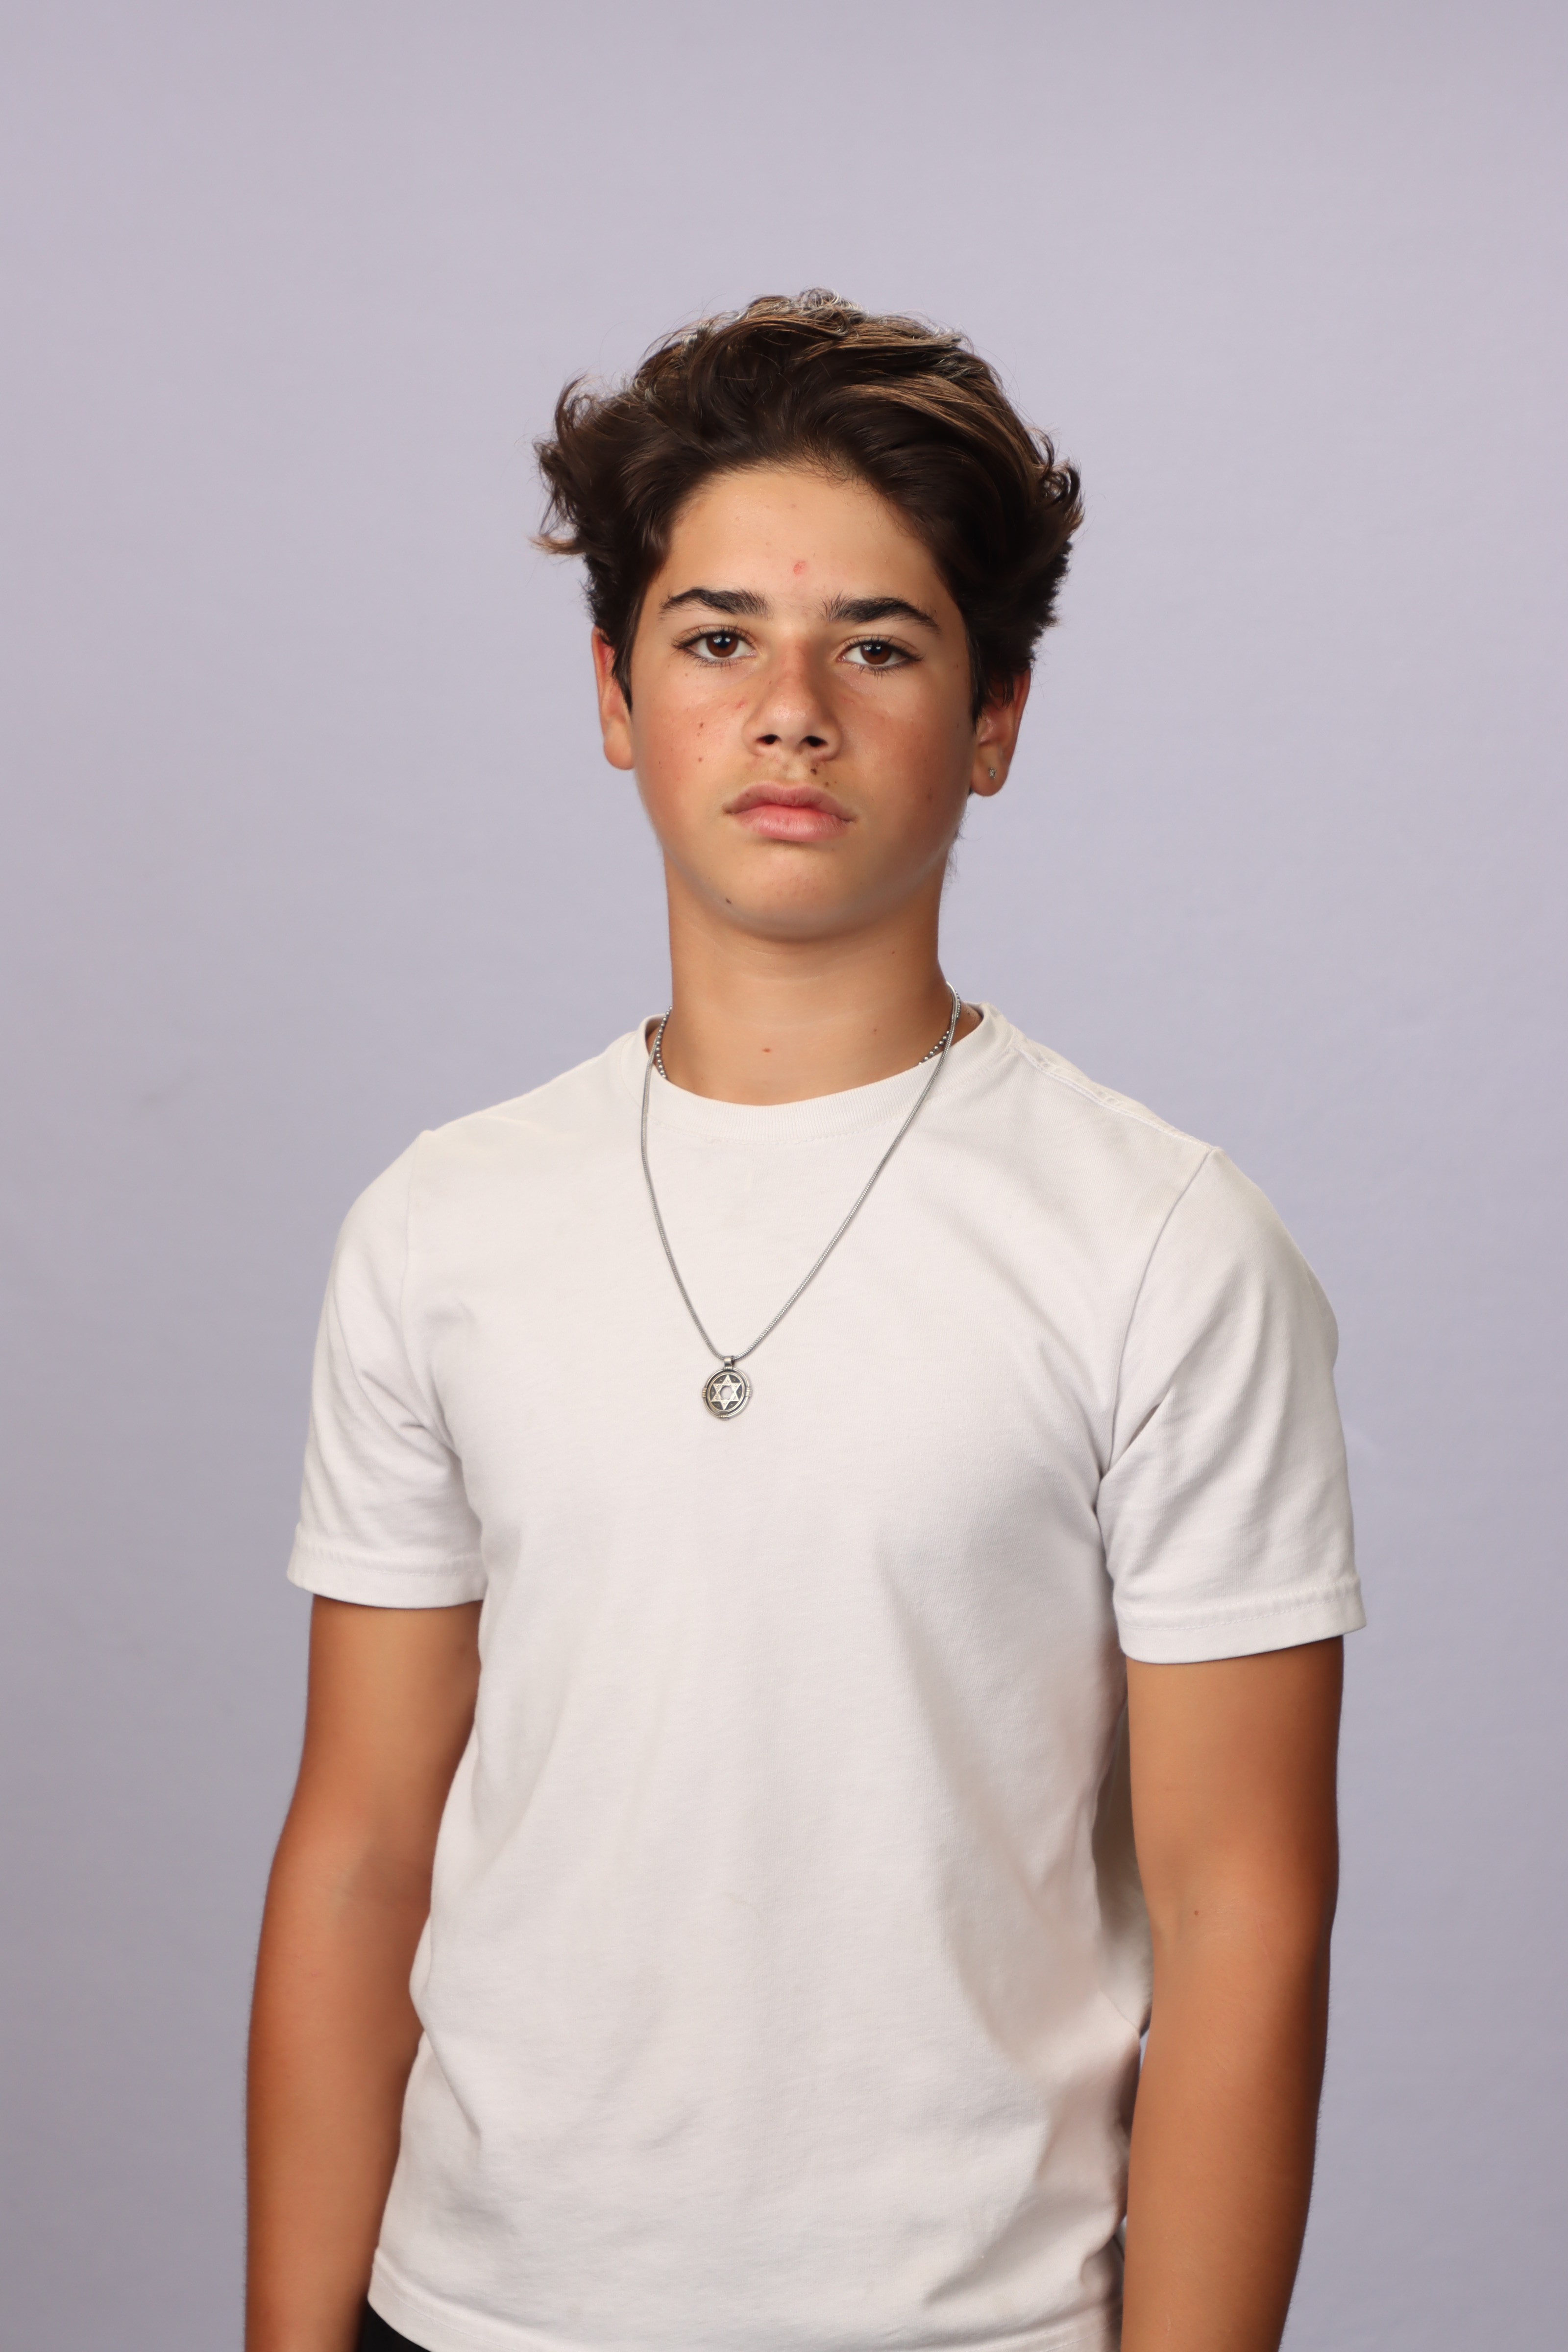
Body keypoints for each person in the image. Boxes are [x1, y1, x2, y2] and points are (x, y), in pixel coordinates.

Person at [246, 292, 1364, 2352]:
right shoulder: (439, 1227)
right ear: (614, 693)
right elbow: (359, 1845)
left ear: (995, 720)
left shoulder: (1163, 1246)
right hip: (470, 2309)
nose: (789, 711)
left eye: (878, 645)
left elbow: (1245, 1918)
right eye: (714, 639)